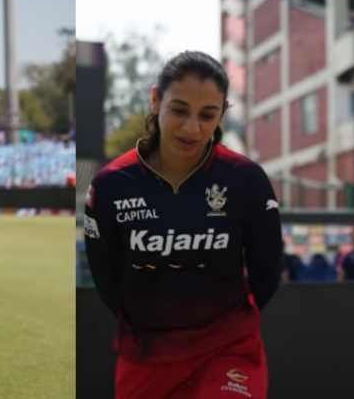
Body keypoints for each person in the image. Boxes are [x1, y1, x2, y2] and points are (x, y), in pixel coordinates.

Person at [84, 51, 283, 399]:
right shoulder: (112, 184)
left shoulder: (246, 179)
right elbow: (106, 278)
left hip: (228, 350)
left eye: (208, 115)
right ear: (155, 100)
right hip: (145, 356)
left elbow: (267, 272)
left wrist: (221, 323)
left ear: (222, 114)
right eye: (179, 110)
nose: (192, 127)